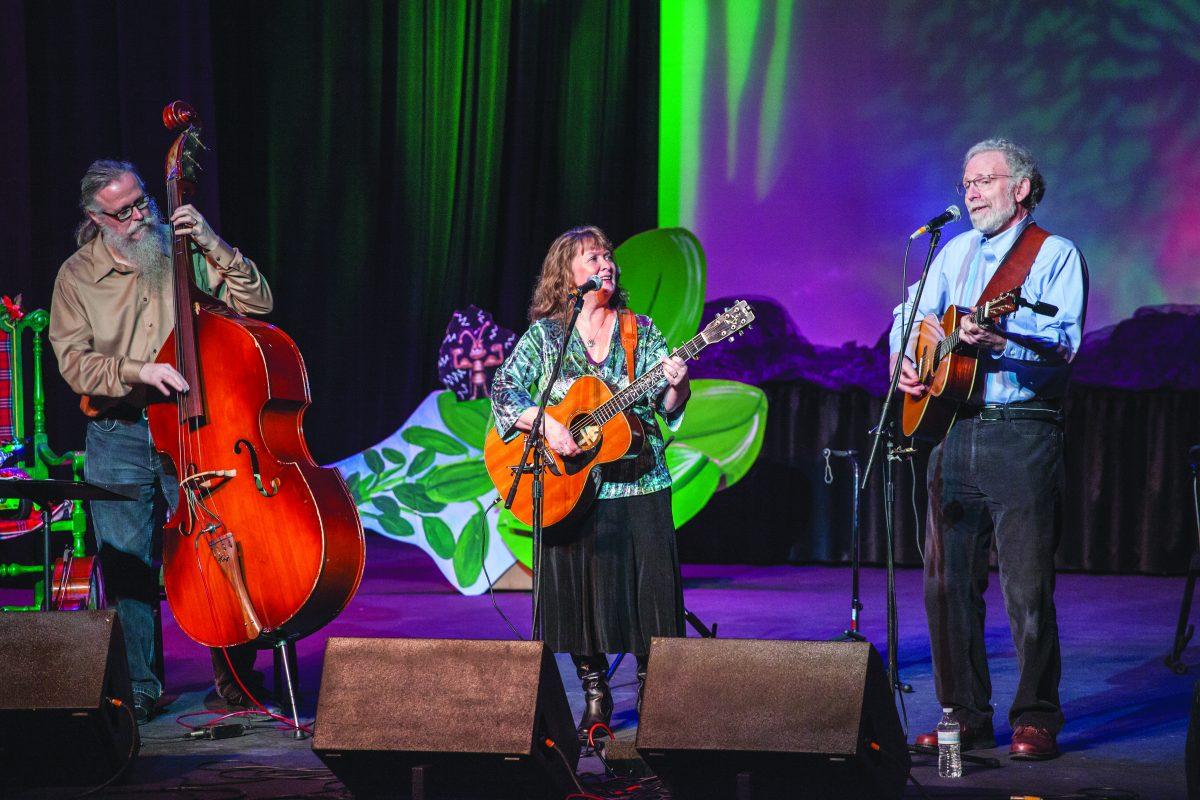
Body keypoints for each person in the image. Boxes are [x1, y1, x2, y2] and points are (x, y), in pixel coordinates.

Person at [50, 160, 274, 723]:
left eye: (140, 202)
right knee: (128, 564)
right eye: (121, 211)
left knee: (216, 551)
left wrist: (213, 242)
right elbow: (75, 364)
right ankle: (143, 686)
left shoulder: (182, 251)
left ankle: (236, 679)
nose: (135, 216)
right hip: (118, 431)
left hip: (190, 427)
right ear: (95, 218)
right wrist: (138, 371)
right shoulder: (76, 276)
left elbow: (260, 306)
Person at [889, 139, 1088, 760]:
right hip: (953, 429)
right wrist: (907, 355)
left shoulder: (1053, 254)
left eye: (984, 180)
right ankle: (963, 712)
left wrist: (1001, 334)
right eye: (966, 182)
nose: (970, 192)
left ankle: (1035, 716)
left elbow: (1063, 340)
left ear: (1021, 188)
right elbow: (908, 312)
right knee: (945, 582)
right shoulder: (953, 251)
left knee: (1026, 587)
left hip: (1023, 430)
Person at [490, 226, 690, 739]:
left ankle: (653, 694)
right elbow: (504, 389)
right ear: (567, 274)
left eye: (608, 255)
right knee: (577, 594)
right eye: (591, 257)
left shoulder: (638, 330)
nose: (606, 263)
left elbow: (665, 411)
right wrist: (547, 423)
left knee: (651, 596)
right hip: (567, 486)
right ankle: (595, 692)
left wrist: (677, 385)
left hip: (639, 482)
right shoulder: (546, 337)